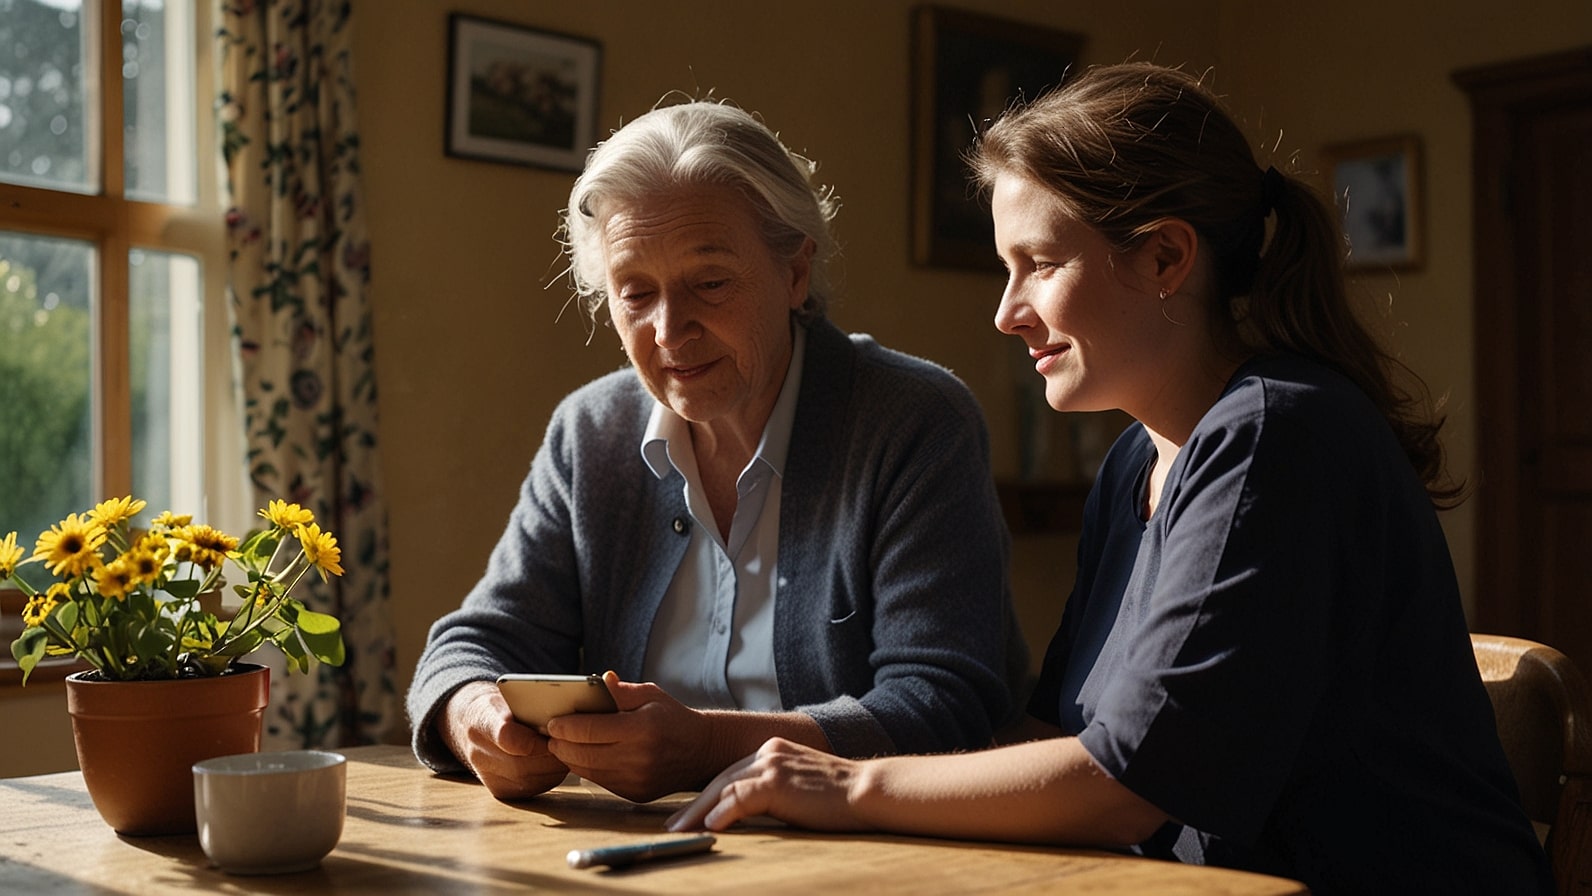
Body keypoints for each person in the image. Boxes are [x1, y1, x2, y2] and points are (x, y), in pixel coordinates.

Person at [666, 63, 1554, 894]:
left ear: (1166, 258)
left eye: (1040, 266)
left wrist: (848, 787)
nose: (1008, 314)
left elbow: (1130, 778)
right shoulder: (1138, 455)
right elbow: (1056, 735)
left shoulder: (1277, 434)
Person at [406, 99, 1024, 804]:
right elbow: (475, 642)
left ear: (795, 273)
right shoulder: (591, 433)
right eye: (635, 292)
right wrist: (475, 717)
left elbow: (949, 703)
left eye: (710, 283)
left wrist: (707, 747)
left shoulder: (912, 422)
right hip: (640, 860)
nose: (670, 331)